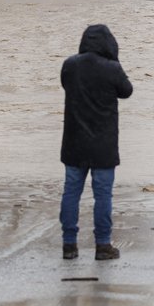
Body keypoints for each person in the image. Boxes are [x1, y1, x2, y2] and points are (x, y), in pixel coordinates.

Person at [59, 24, 133, 260]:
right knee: (103, 195)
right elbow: (127, 91)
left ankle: (69, 245)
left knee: (71, 193)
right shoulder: (112, 69)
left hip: (74, 142)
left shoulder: (70, 65)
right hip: (103, 144)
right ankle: (103, 245)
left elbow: (65, 84)